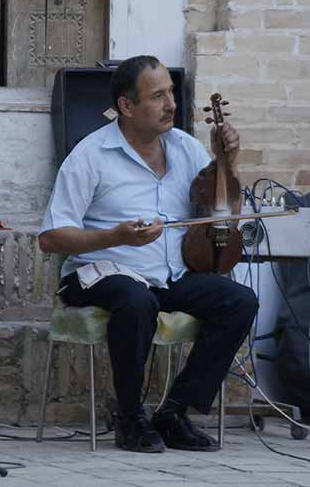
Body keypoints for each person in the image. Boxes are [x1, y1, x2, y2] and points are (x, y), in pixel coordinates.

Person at [38, 55, 258, 453]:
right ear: (126, 106)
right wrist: (113, 237)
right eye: (158, 96)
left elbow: (219, 209)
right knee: (135, 299)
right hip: (103, 272)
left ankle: (173, 412)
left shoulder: (186, 148)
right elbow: (51, 237)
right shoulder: (90, 155)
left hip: (171, 274)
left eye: (171, 93)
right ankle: (129, 416)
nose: (171, 105)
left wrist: (227, 162)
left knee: (239, 300)